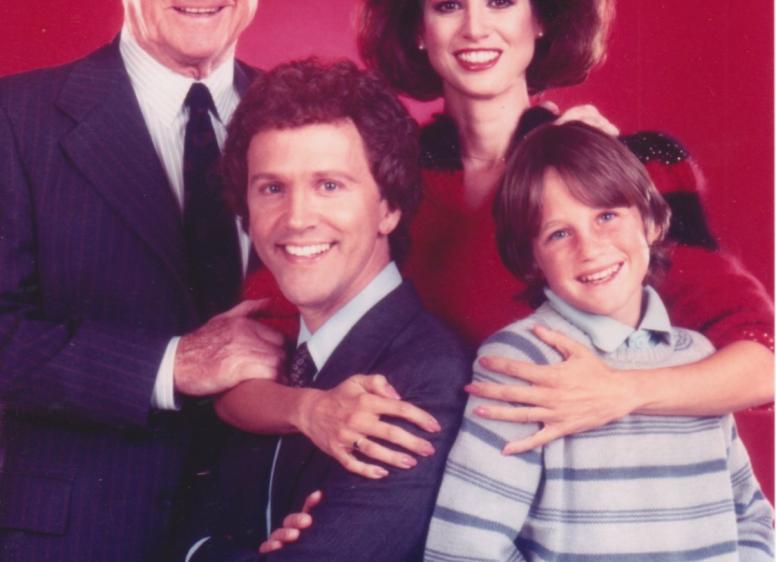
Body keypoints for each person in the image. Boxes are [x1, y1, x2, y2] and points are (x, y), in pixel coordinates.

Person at [351, 0, 773, 452]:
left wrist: (620, 392)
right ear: (418, 29)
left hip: (577, 479)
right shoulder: (380, 182)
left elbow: (764, 363)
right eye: (448, 5)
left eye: (500, 2)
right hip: (418, 471)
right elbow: (313, 333)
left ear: (541, 19)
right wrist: (306, 404)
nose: (475, 28)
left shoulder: (632, 165)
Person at [0, 2, 289, 561]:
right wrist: (172, 365)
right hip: (82, 537)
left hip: (266, 529)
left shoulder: (312, 117)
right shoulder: (13, 118)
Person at [426, 120, 774, 561]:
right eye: (558, 233)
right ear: (532, 257)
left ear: (651, 222)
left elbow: (752, 513)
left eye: (606, 216)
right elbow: (465, 547)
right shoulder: (523, 361)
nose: (589, 249)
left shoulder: (697, 356)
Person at [184, 57, 470, 562]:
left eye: (329, 186)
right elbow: (183, 532)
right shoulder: (263, 357)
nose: (296, 219)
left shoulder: (426, 372)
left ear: (389, 207)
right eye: (272, 188)